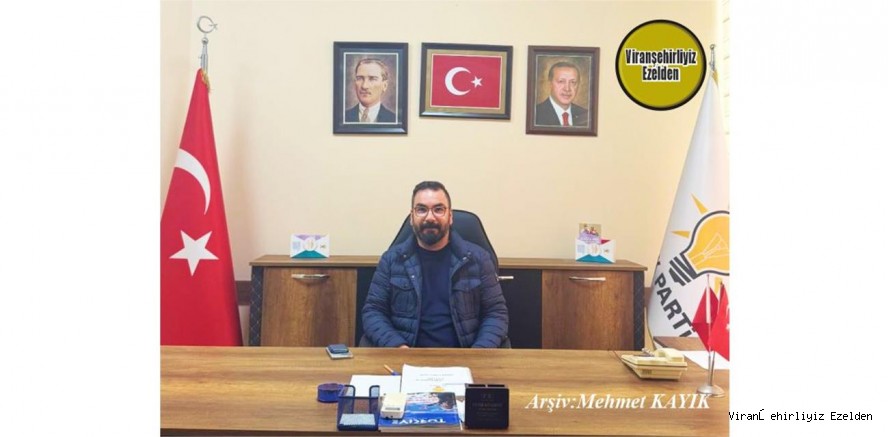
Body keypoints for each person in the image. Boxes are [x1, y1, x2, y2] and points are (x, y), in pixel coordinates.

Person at [361, 181, 509, 348]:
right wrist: (398, 347)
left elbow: (496, 313)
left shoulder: (478, 259)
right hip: (406, 354)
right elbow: (373, 311)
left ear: (450, 216)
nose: (430, 217)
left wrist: (479, 352)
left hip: (465, 355)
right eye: (421, 209)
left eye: (438, 209)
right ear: (412, 217)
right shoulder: (391, 260)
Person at [534, 61, 589, 127]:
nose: (567, 89)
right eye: (561, 81)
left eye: (573, 82)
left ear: (578, 85)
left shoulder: (586, 115)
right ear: (550, 84)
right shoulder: (535, 114)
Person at [345, 58, 396, 123]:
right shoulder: (342, 117)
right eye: (360, 78)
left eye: (372, 79)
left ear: (384, 86)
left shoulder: (394, 120)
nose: (364, 86)